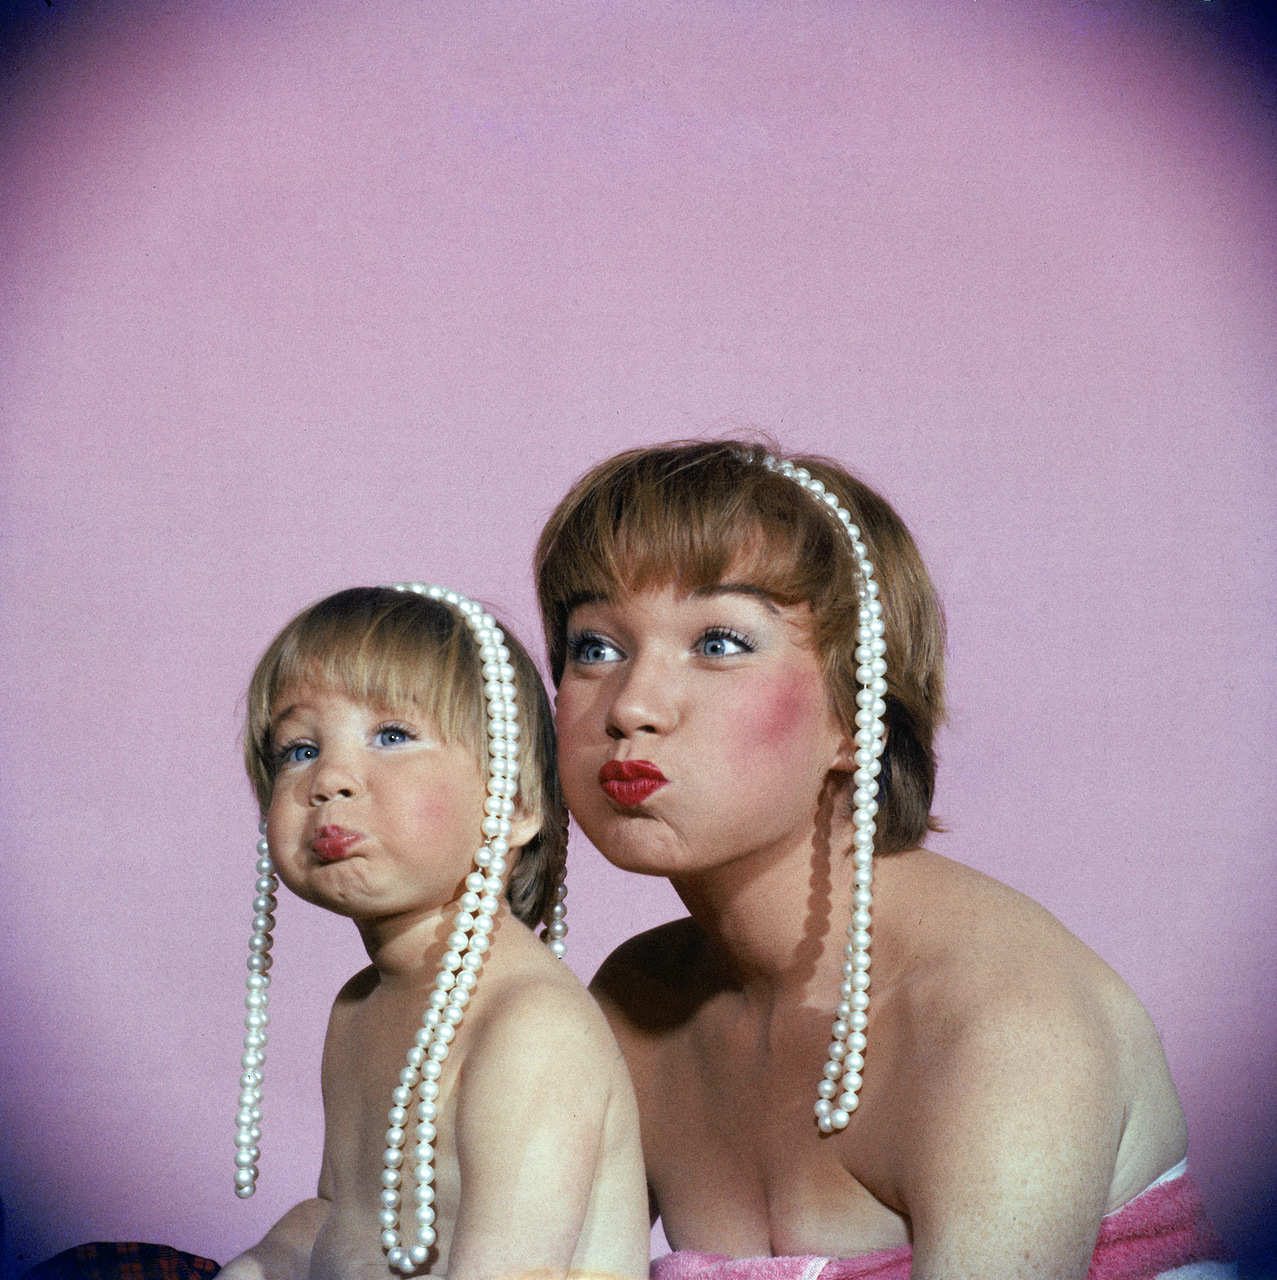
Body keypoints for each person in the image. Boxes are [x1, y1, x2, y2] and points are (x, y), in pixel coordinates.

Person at [534, 441, 1235, 1280]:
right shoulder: (640, 1004)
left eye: (718, 642)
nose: (632, 706)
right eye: (595, 647)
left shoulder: (998, 1021)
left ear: (857, 712)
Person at [220, 584, 649, 1280]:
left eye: (391, 736)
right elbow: (348, 1218)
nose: (329, 777)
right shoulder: (361, 1006)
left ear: (511, 807)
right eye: (297, 749)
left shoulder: (528, 1026)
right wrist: (265, 1263)